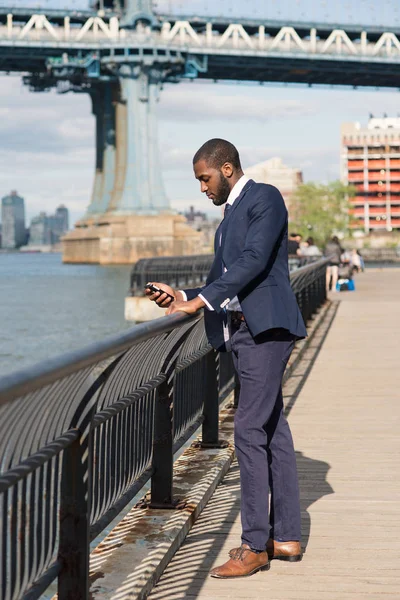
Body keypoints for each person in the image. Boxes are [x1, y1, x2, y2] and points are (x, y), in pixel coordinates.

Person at [146, 139, 307, 579]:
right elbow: (221, 278)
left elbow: (255, 261)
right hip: (242, 331)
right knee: (271, 429)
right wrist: (182, 297)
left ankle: (254, 545)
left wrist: (200, 304)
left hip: (264, 330)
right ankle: (286, 537)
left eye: (205, 178)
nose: (202, 188)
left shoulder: (264, 198)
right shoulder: (229, 215)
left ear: (228, 169)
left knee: (248, 430)